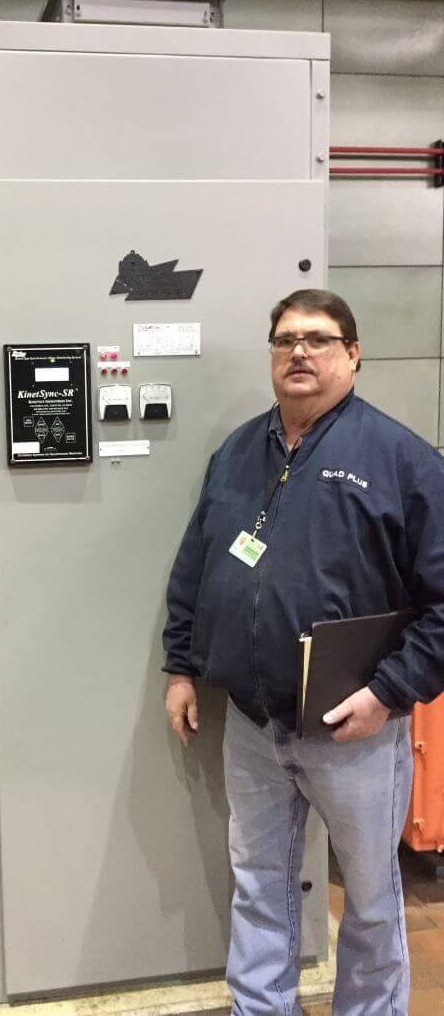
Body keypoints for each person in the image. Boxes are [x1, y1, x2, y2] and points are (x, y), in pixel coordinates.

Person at [162, 289, 444, 1016]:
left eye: (319, 339)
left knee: (374, 901)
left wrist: (388, 690)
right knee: (259, 885)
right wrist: (182, 665)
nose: (299, 352)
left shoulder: (403, 460)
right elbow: (197, 564)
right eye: (285, 339)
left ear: (353, 355)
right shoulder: (237, 452)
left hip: (357, 731)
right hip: (254, 726)